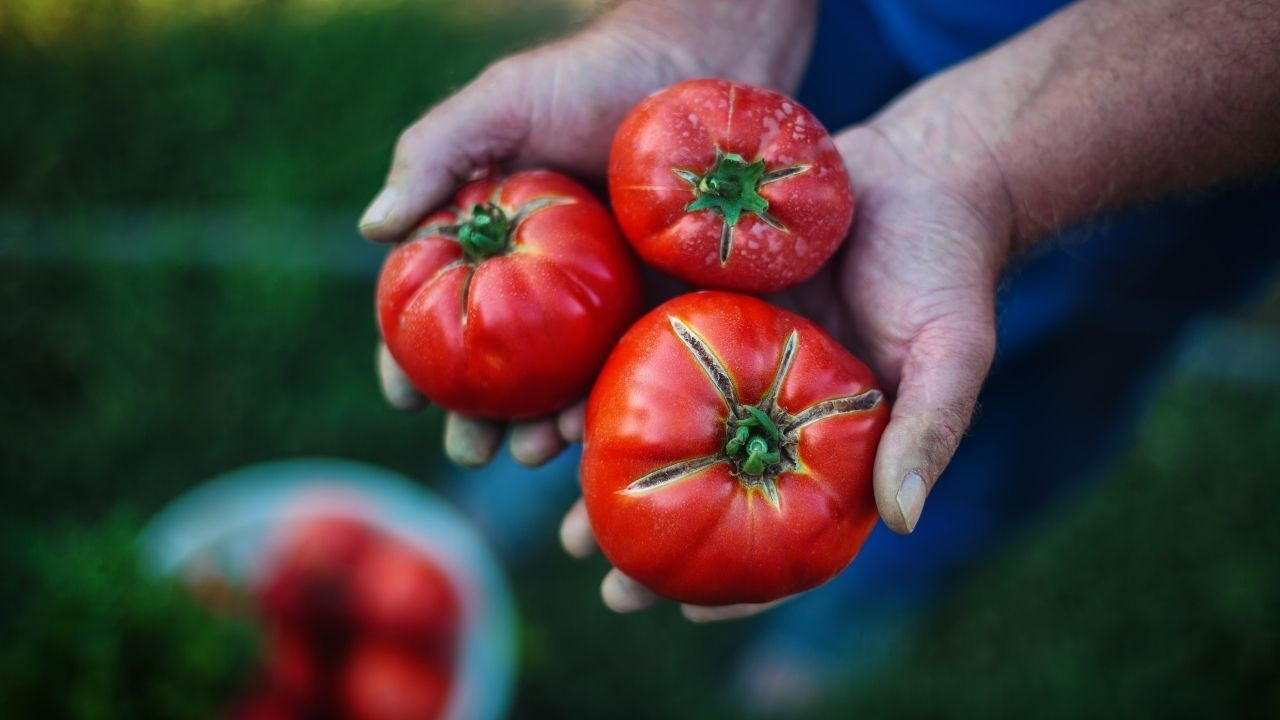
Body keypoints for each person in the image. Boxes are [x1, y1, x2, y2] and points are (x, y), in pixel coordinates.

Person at [360, 0, 1280, 655]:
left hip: (1182, 121)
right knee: (900, 420)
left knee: (1014, 407)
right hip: (835, 27)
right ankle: (574, 464)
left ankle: (860, 604)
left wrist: (993, 168)